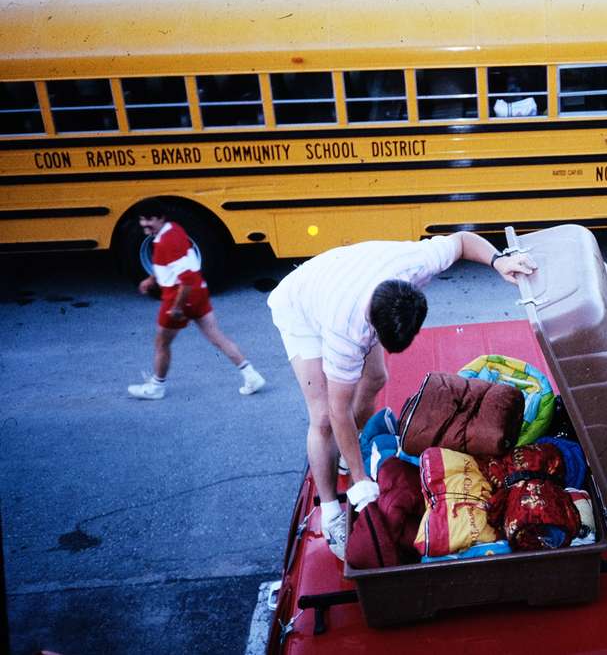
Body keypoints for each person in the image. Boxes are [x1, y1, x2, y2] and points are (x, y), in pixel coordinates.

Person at [266, 232, 536, 559]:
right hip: (300, 305)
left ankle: (353, 448)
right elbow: (339, 412)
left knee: (377, 376)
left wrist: (498, 260)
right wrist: (361, 482)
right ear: (372, 327)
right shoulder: (346, 332)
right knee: (323, 417)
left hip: (344, 279)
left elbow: (464, 240)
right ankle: (330, 510)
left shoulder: (415, 266)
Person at [127, 200, 265, 400]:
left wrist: (177, 308)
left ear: (161, 218)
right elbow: (177, 267)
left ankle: (156, 386)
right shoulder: (173, 230)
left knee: (161, 344)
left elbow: (186, 279)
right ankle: (251, 375)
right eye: (142, 219)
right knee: (217, 337)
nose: (145, 224)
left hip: (179, 297)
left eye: (150, 219)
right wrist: (151, 279)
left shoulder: (166, 241)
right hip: (199, 293)